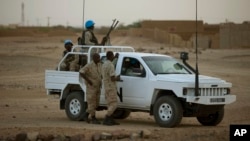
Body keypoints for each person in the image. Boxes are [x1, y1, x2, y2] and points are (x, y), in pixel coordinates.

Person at [79, 53, 102, 124]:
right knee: (92, 103)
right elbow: (81, 72)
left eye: (99, 58)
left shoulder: (99, 65)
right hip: (91, 87)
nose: (99, 59)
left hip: (97, 87)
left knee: (96, 103)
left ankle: (85, 115)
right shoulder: (89, 65)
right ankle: (93, 118)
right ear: (94, 58)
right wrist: (88, 80)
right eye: (98, 58)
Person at [102, 51, 121, 126]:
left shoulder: (104, 64)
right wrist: (118, 78)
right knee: (114, 104)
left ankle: (111, 120)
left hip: (106, 86)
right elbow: (112, 78)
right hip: (111, 86)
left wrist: (116, 58)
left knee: (109, 104)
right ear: (110, 56)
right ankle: (107, 117)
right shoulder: (110, 65)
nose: (113, 57)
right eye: (113, 56)